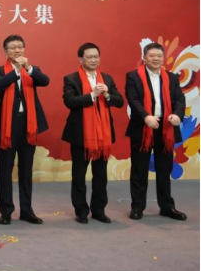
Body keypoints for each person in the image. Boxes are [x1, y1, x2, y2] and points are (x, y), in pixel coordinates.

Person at [0, 35, 49, 225]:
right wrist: (16, 70)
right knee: (5, 170)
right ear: (5, 51)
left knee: (26, 170)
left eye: (20, 47)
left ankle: (27, 210)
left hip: (29, 126)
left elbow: (45, 81)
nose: (17, 50)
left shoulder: (32, 70)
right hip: (7, 127)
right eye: (13, 47)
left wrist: (28, 68)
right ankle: (6, 211)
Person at [62, 43, 123, 224]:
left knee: (101, 175)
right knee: (79, 175)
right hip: (81, 134)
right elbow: (70, 102)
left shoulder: (107, 79)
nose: (93, 60)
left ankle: (98, 210)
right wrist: (92, 95)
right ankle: (81, 210)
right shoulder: (71, 79)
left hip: (103, 135)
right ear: (81, 59)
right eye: (89, 57)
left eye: (96, 56)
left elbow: (119, 101)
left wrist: (107, 95)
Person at [125, 42, 186, 221]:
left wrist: (177, 115)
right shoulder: (133, 76)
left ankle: (167, 207)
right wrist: (145, 116)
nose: (156, 59)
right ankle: (137, 207)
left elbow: (179, 99)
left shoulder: (171, 77)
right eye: (152, 56)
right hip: (142, 128)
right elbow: (133, 99)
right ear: (144, 57)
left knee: (164, 169)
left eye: (159, 56)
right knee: (139, 170)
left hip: (165, 128)